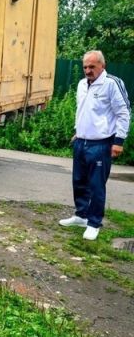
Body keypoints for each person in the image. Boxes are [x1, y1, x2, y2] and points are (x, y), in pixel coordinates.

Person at [59, 50, 131, 241]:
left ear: (102, 65)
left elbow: (123, 113)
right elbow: (82, 111)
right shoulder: (83, 84)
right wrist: (77, 131)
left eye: (92, 66)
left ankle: (94, 223)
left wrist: (118, 142)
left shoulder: (112, 84)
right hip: (81, 142)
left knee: (96, 185)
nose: (88, 71)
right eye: (85, 67)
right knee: (79, 181)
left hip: (101, 144)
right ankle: (81, 216)